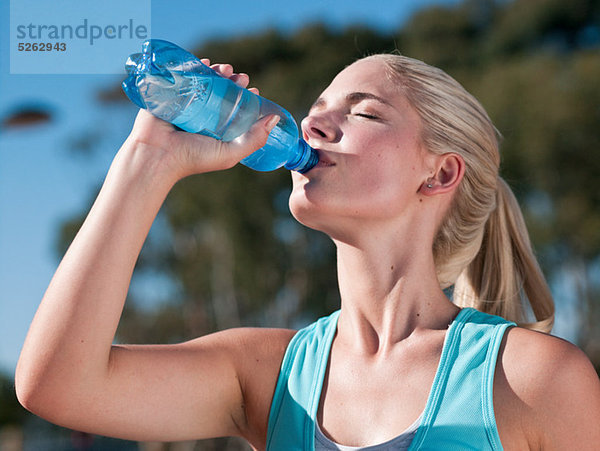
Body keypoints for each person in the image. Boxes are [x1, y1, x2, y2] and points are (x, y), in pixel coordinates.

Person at [15, 53, 600, 450]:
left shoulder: (530, 380)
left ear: (439, 173)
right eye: (318, 107)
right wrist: (148, 160)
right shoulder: (270, 377)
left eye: (364, 112)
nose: (315, 122)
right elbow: (58, 384)